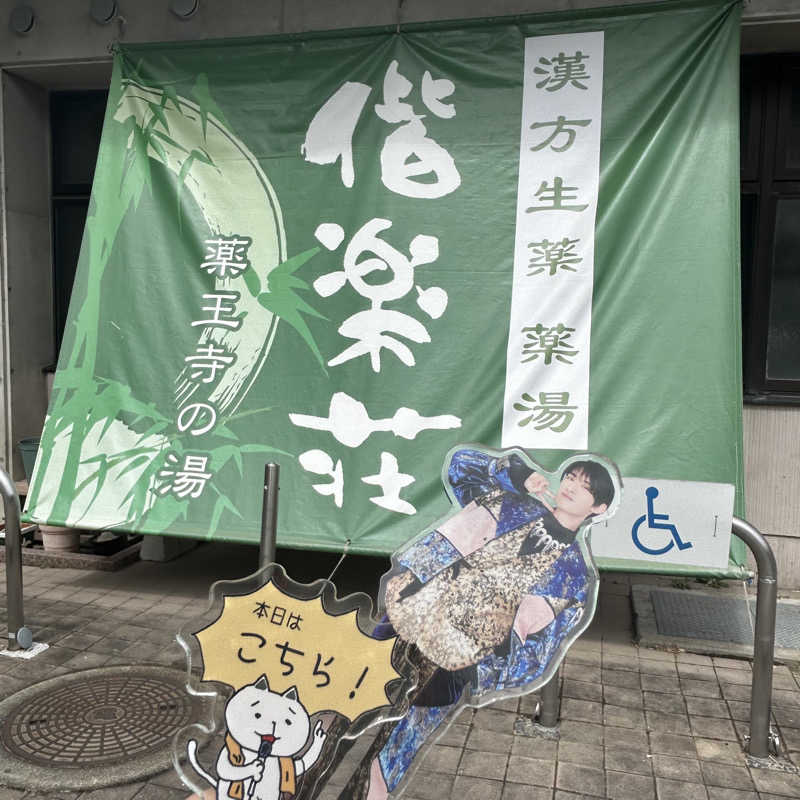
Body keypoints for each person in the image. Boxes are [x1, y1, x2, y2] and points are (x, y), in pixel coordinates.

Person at [347, 446, 617, 800]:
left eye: (584, 486)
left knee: (406, 735)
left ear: (598, 507)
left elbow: (540, 648)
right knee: (352, 687)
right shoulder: (513, 502)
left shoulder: (574, 575)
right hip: (417, 605)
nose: (570, 486)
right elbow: (461, 470)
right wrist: (516, 475)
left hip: (465, 652)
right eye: (570, 477)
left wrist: (485, 667)